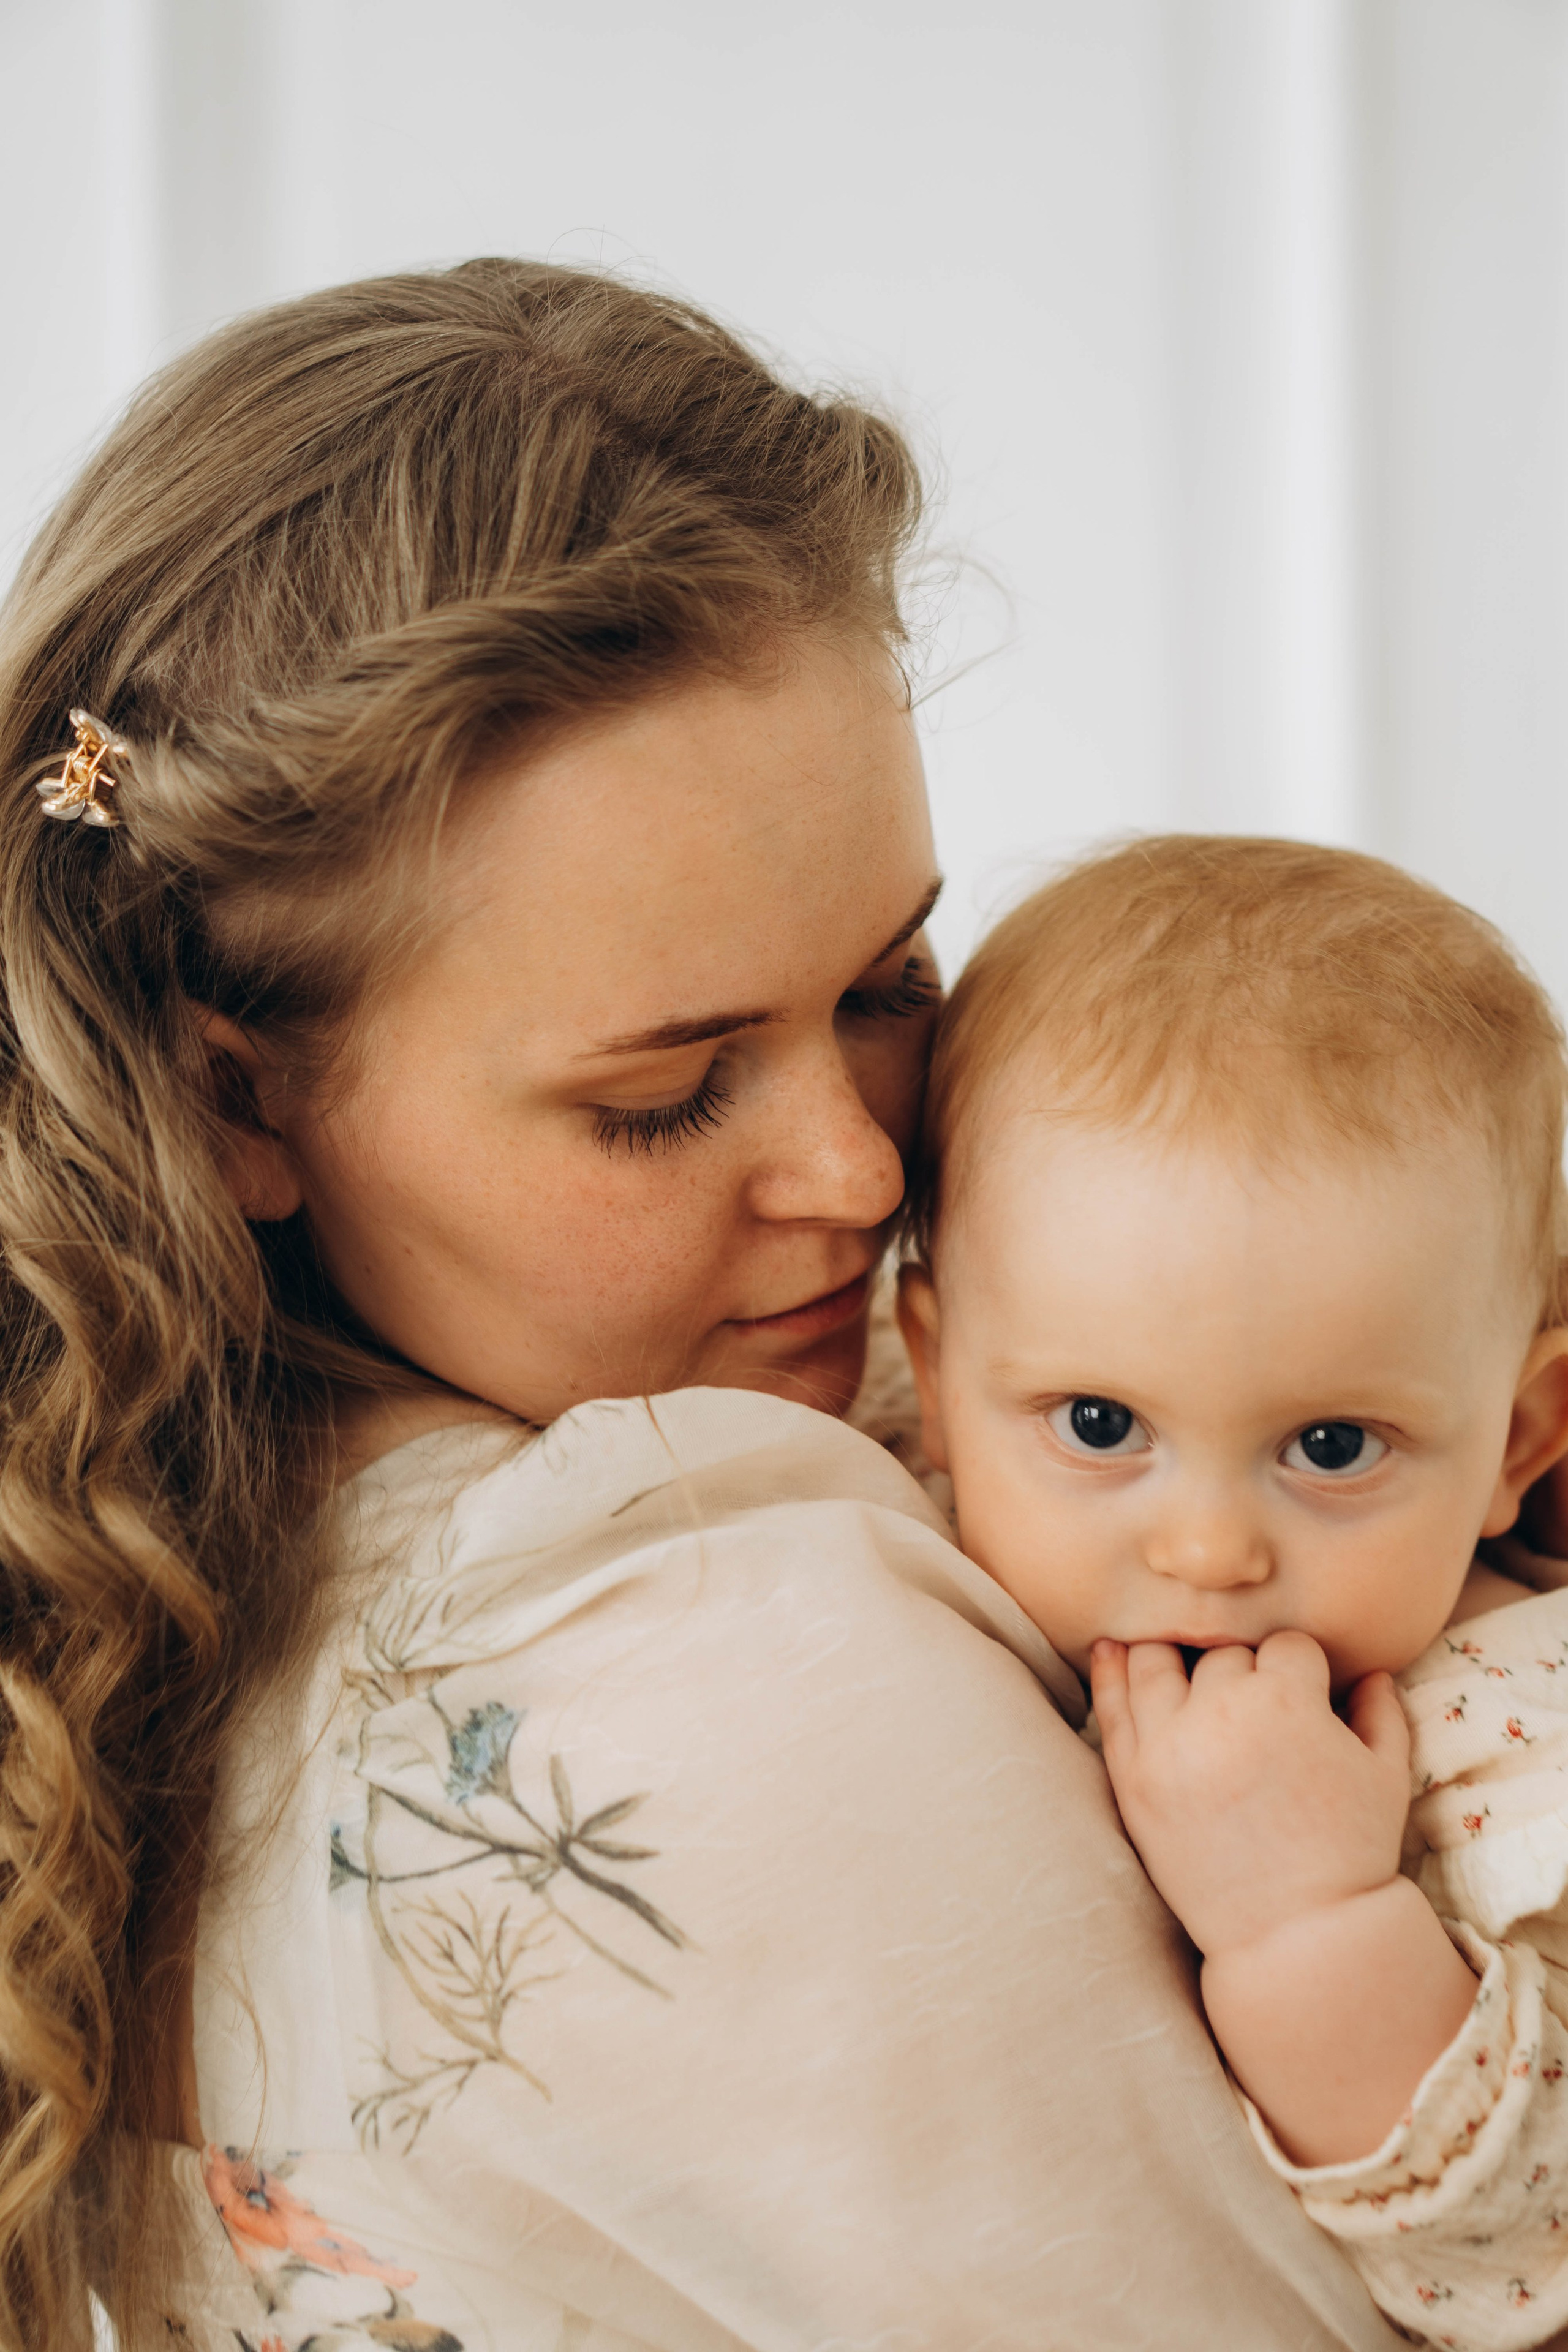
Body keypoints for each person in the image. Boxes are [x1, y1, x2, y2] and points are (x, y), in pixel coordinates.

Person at [0, 263, 1408, 2352]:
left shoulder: (131, 1586)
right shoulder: (725, 1668)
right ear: (236, 1091)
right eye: (662, 1099)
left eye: (889, 989)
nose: (856, 1171)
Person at [897, 834, 1568, 2351]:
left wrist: (1310, 1924)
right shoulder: (890, 1531)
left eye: (1330, 1448)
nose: (1205, 1552)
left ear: (1516, 1442)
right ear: (934, 1379)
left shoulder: (1515, 1742)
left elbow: (1534, 2249)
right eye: (1096, 1426)